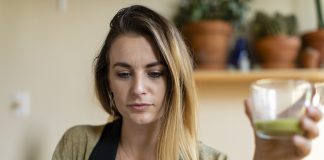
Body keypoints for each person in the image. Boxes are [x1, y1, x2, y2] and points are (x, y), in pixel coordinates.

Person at [52, 5, 323, 160]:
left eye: (155, 73)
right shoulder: (79, 145)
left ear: (176, 81)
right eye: (124, 74)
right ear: (107, 81)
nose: (138, 89)